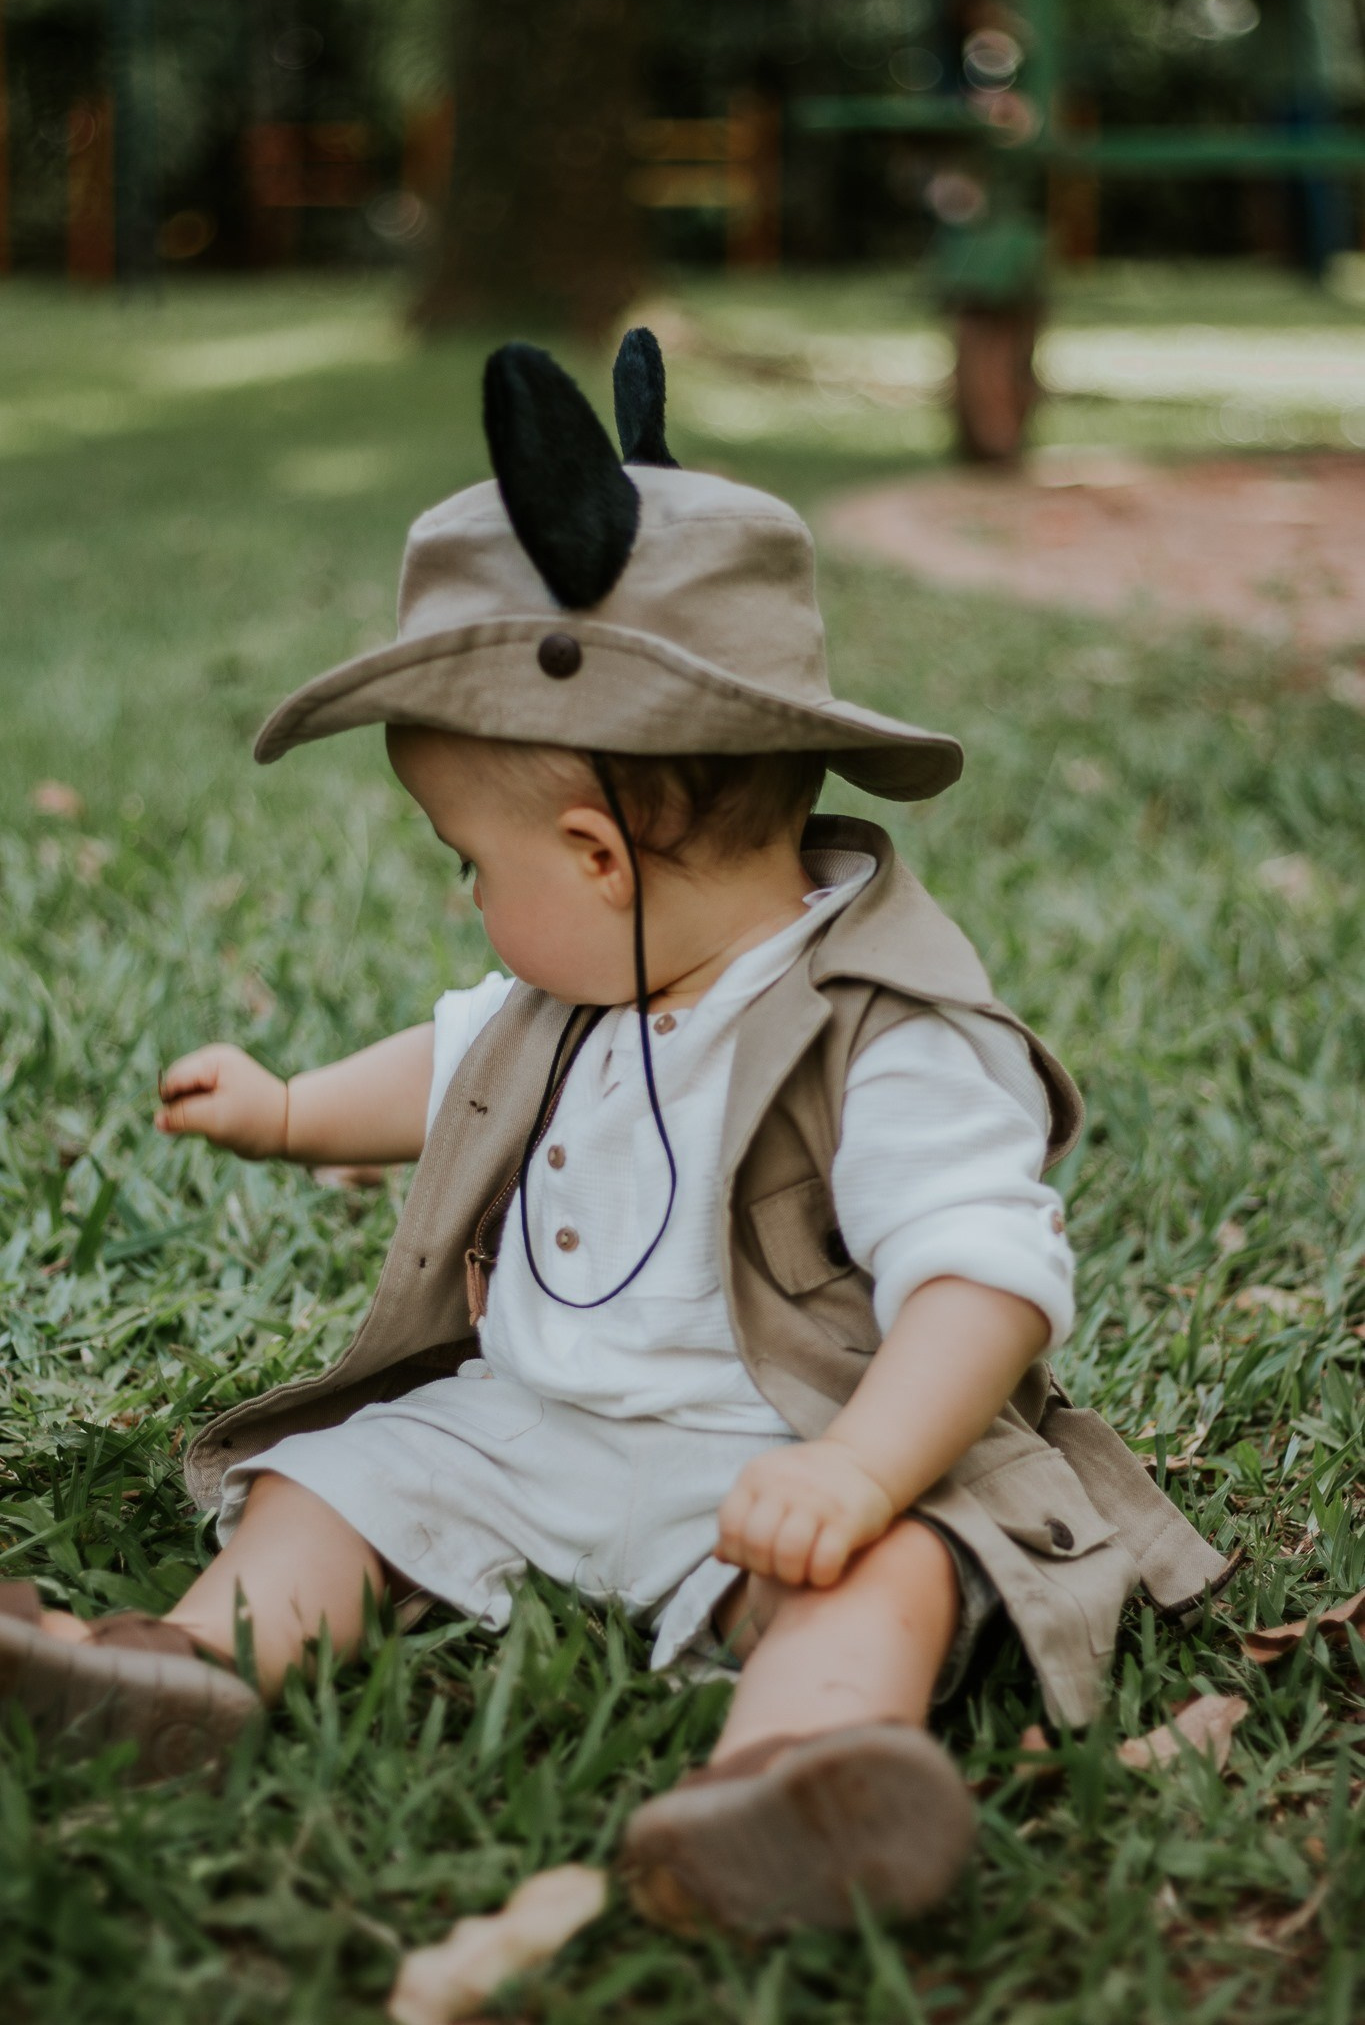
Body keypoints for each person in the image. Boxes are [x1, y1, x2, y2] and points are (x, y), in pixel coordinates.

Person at [0, 333, 1233, 1934]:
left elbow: (982, 1280)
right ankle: (185, 1666)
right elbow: (451, 1067)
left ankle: (797, 1771)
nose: (467, 898)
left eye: (468, 863)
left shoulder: (887, 1030)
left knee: (891, 1568)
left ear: (595, 858)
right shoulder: (587, 980)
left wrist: (860, 1468)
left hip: (783, 1453)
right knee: (339, 1480)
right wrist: (290, 1110)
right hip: (532, 1424)